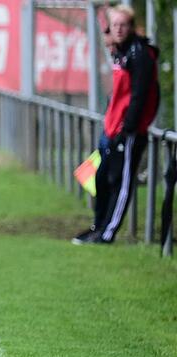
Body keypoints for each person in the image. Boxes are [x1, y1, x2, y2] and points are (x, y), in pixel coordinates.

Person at [72, 5, 159, 245]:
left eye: (123, 25)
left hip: (127, 132)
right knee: (100, 178)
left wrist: (128, 128)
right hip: (112, 128)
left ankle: (107, 233)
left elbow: (141, 95)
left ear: (131, 27)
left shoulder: (139, 54)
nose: (118, 30)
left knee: (121, 182)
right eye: (114, 25)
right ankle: (97, 226)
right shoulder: (120, 52)